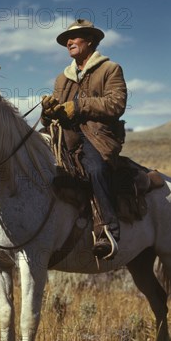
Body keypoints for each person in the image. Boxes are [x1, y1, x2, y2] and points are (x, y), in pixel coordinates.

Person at [42, 19, 127, 260]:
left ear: (90, 40)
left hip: (98, 136)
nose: (68, 42)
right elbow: (55, 115)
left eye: (75, 38)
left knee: (96, 169)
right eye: (66, 40)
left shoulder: (110, 69)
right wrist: (48, 112)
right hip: (64, 136)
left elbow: (116, 104)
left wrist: (78, 107)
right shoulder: (63, 78)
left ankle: (107, 230)